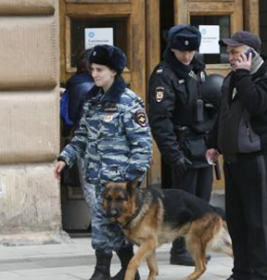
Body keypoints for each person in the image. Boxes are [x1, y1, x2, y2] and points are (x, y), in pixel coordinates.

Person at [54, 44, 152, 280]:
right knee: (102, 224)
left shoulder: (129, 103)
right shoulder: (92, 101)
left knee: (117, 225)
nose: (94, 74)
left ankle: (118, 272)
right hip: (98, 179)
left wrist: (130, 182)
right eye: (93, 69)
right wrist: (65, 158)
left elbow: (143, 146)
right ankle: (109, 271)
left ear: (114, 72)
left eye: (100, 70)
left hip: (120, 184)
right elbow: (82, 136)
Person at [207, 30, 267, 280]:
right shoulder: (232, 79)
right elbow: (223, 113)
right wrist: (213, 143)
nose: (231, 57)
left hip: (257, 158)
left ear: (251, 54)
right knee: (237, 222)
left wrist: (242, 74)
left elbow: (256, 104)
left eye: (236, 52)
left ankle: (262, 274)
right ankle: (242, 271)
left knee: (258, 223)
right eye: (229, 52)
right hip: (233, 158)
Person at [148, 24, 218, 266]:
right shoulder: (164, 74)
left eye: (191, 51)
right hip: (181, 146)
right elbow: (160, 120)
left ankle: (196, 246)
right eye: (181, 52)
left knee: (202, 202)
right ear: (173, 49)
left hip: (202, 146)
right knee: (182, 203)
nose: (186, 56)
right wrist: (172, 154)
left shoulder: (198, 70)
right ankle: (179, 251)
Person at [60, 49, 96, 211]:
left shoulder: (76, 85)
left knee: (90, 187)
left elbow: (71, 117)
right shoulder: (101, 86)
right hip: (99, 141)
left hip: (84, 141)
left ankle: (100, 223)